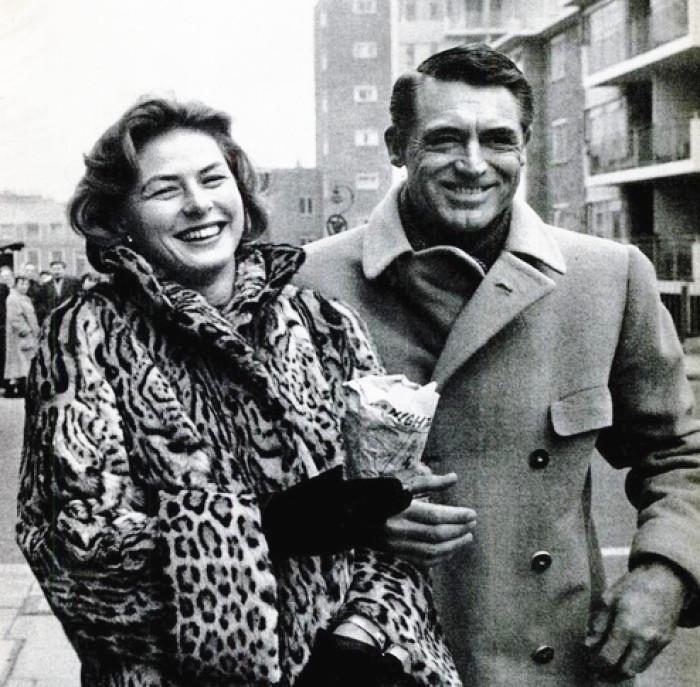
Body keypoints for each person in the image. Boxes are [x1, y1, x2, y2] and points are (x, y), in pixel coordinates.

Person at [16, 96, 466, 687]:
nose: (198, 204)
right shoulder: (86, 334)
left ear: (241, 192)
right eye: (164, 190)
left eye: (212, 179)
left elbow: (393, 516)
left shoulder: (324, 324)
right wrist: (270, 528)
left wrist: (359, 641)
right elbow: (75, 559)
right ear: (120, 216)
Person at [295, 43, 700, 686]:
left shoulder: (608, 278)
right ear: (397, 147)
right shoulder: (307, 285)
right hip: (372, 661)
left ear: (525, 148)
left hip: (553, 662)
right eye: (445, 139)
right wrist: (354, 515)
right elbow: (254, 482)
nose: (473, 164)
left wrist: (666, 571)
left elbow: (678, 453)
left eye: (498, 139)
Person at [3, 273, 39, 398]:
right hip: (19, 336)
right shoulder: (13, 298)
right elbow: (14, 318)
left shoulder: (24, 298)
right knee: (19, 363)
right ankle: (18, 389)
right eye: (21, 283)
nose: (24, 286)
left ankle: (23, 388)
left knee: (24, 363)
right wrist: (26, 330)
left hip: (28, 335)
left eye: (26, 284)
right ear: (16, 284)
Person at [34, 258, 80, 323]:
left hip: (69, 316)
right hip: (52, 318)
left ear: (64, 270)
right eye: (54, 269)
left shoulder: (74, 283)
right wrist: (47, 312)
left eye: (59, 269)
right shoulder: (45, 286)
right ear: (51, 270)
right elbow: (40, 302)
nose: (57, 272)